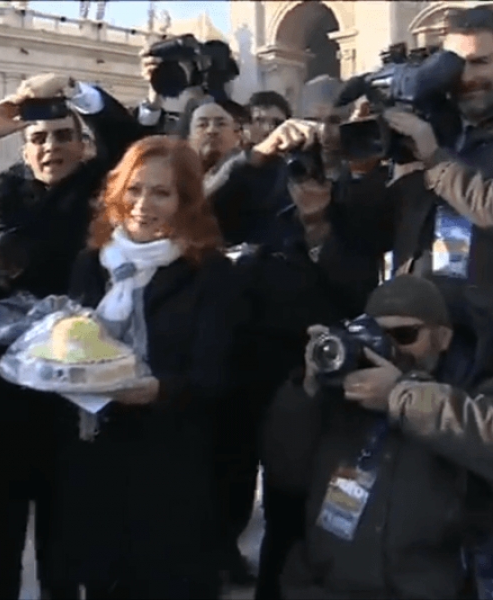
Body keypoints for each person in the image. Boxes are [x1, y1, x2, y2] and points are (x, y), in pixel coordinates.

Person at [0, 72, 144, 599]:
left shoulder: (100, 191)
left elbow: (125, 142)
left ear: (82, 144)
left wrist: (74, 90)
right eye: (38, 139)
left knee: (64, 538)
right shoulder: (6, 193)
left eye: (63, 136)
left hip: (72, 387)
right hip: (2, 389)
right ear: (25, 150)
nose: (51, 147)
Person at [48, 135, 251, 599]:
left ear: (186, 201)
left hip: (172, 475)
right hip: (94, 467)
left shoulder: (211, 273)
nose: (143, 205)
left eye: (162, 193)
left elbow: (214, 377)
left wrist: (155, 390)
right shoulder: (90, 264)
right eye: (135, 189)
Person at [263, 274, 493, 599]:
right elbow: (284, 472)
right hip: (329, 587)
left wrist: (402, 394)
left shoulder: (464, 396)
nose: (390, 349)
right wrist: (308, 389)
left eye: (405, 335)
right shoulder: (342, 396)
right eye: (376, 336)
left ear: (443, 338)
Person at [364, 7, 493, 284]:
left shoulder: (431, 142)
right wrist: (364, 164)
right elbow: (366, 233)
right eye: (455, 64)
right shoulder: (435, 128)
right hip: (421, 319)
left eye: (480, 62)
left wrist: (436, 159)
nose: (466, 77)